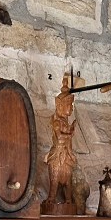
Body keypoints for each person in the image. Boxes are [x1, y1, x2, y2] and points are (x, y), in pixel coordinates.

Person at [45, 75, 77, 209]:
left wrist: (70, 132)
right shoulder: (57, 121)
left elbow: (67, 138)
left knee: (68, 180)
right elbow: (59, 138)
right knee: (55, 178)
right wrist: (70, 133)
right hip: (58, 154)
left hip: (66, 155)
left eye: (72, 105)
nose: (71, 108)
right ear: (60, 105)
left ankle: (69, 200)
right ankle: (51, 199)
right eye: (69, 105)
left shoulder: (66, 122)